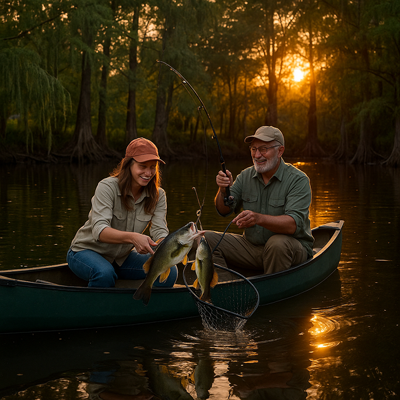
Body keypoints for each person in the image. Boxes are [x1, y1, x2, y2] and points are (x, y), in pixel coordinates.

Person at [67, 137, 177, 288]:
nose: (148, 172)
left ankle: (143, 307)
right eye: (142, 166)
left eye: (153, 167)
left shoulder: (159, 195)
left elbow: (159, 231)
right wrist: (133, 238)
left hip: (120, 259)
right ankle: (96, 309)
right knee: (104, 273)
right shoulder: (107, 187)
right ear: (128, 164)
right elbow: (100, 231)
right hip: (84, 252)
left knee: (169, 271)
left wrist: (175, 245)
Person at [205, 126, 314, 274]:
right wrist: (223, 190)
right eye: (253, 149)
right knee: (206, 239)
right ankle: (225, 289)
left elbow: (292, 225)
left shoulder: (298, 180)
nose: (257, 155)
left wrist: (258, 218)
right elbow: (224, 210)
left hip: (290, 248)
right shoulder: (245, 176)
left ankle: (271, 292)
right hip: (251, 248)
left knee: (277, 244)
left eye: (263, 149)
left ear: (280, 151)